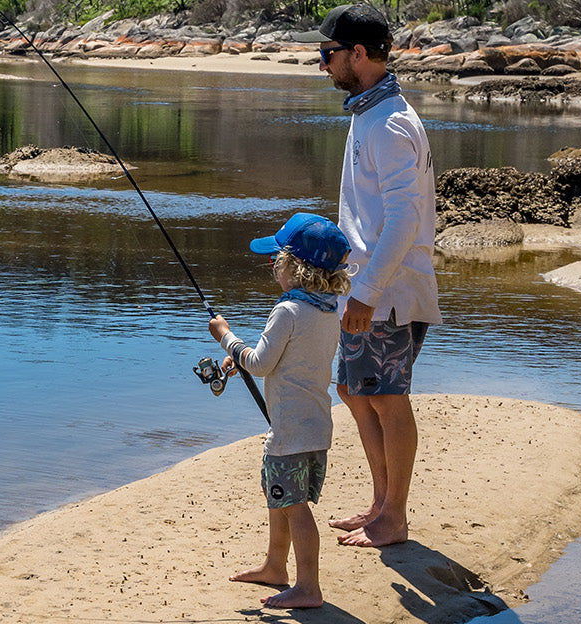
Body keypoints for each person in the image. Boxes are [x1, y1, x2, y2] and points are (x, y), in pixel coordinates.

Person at [293, 4, 443, 549]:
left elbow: (405, 217)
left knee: (385, 398)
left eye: (327, 54)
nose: (322, 64)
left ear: (358, 53)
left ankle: (395, 517)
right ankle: (381, 504)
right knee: (355, 392)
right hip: (364, 287)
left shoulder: (390, 122)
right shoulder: (369, 113)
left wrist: (368, 290)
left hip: (389, 290)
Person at [208, 212, 352, 610]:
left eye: (278, 259)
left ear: (294, 266)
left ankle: (309, 586)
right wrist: (245, 358)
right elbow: (290, 359)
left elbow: (260, 363)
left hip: (289, 431)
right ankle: (275, 566)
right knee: (282, 498)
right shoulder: (327, 310)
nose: (274, 265)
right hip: (315, 426)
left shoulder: (287, 310)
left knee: (294, 506)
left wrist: (226, 339)